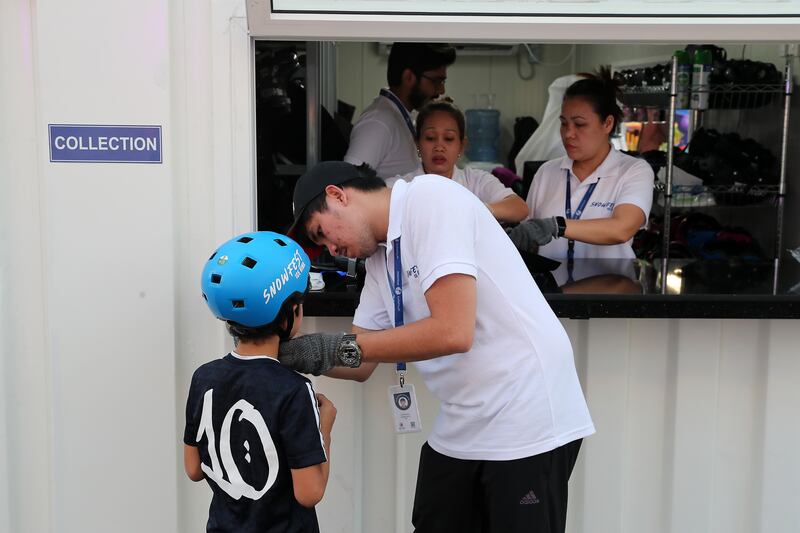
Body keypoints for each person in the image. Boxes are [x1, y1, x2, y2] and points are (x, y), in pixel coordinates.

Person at [278, 161, 595, 533]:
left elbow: (453, 331)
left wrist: (330, 349)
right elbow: (360, 362)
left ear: (337, 195)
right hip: (464, 418)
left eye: (322, 233)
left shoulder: (429, 199)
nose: (333, 248)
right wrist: (287, 353)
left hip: (526, 414)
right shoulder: (380, 259)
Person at [184, 231, 336, 533]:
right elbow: (309, 493)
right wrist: (325, 430)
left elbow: (193, 469)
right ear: (290, 314)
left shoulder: (204, 377)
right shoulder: (294, 390)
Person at [508, 66, 655, 263]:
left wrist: (557, 226)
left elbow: (622, 228)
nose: (568, 133)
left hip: (610, 289)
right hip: (552, 291)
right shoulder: (547, 172)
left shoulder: (633, 171)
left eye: (579, 124)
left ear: (607, 124)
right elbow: (532, 238)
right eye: (563, 123)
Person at [387, 98, 528, 224]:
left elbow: (519, 208)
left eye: (448, 138)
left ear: (461, 146)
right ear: (417, 143)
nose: (439, 147)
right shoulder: (402, 186)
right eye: (430, 138)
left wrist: (478, 210)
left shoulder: (476, 181)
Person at [343, 42, 456, 178]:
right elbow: (348, 186)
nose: (441, 90)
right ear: (409, 77)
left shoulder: (398, 115)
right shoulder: (378, 123)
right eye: (436, 81)